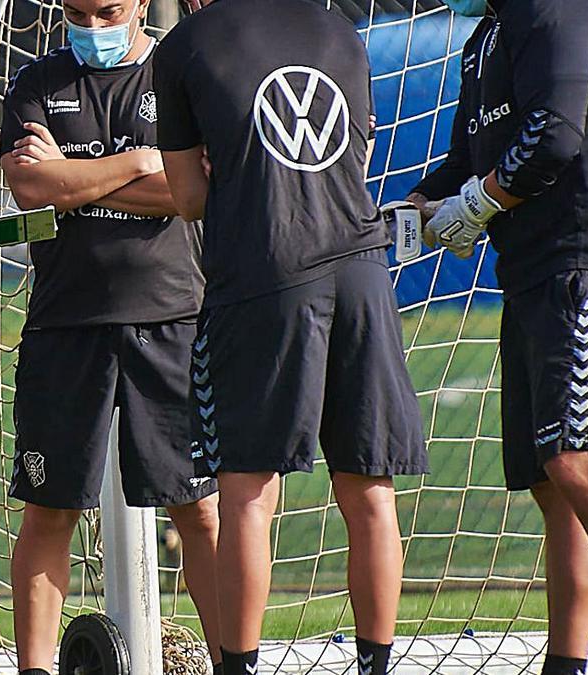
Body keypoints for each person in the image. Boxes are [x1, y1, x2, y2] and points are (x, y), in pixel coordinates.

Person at [406, 1, 588, 673]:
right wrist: (413, 206)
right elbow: (465, 162)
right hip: (531, 272)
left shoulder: (558, 14)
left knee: (578, 459)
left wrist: (473, 207)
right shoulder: (486, 39)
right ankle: (565, 662)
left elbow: (552, 138)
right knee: (551, 482)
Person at [153, 0, 428, 672]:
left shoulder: (185, 44)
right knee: (369, 489)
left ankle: (240, 665)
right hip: (361, 268)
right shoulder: (340, 30)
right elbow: (351, 162)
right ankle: (376, 664)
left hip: (265, 271)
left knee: (247, 491)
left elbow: (187, 198)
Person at [0, 1, 224, 673]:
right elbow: (30, 185)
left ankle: (230, 661)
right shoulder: (37, 83)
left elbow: (191, 193)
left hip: (173, 321)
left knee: (199, 509)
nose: (92, 26)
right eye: (76, 12)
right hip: (64, 326)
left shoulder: (179, 68)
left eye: (108, 11)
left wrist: (75, 180)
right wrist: (138, 161)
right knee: (49, 508)